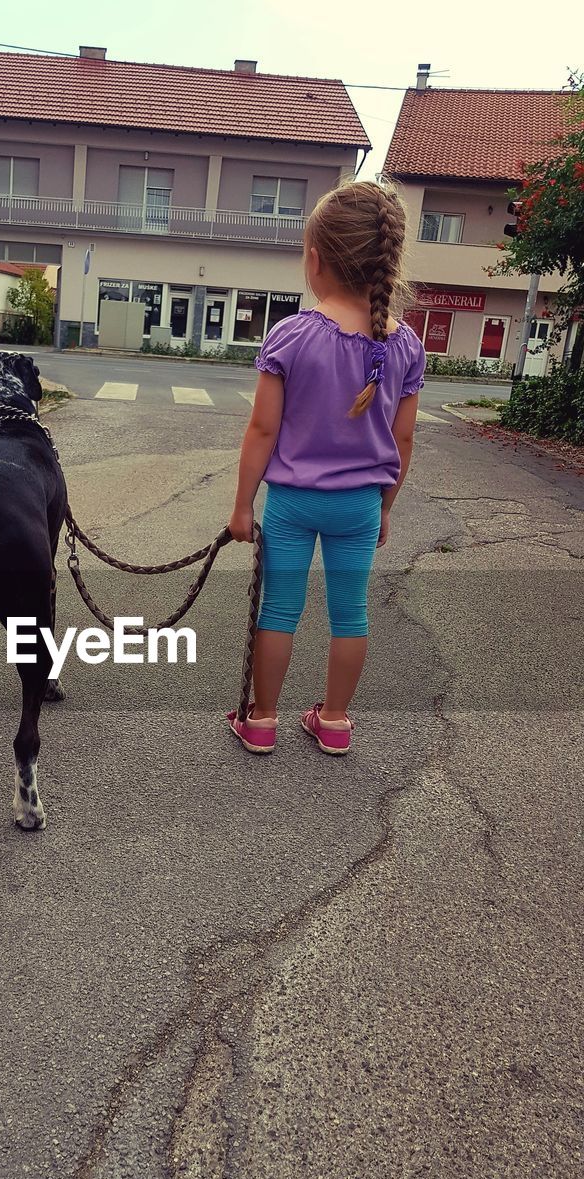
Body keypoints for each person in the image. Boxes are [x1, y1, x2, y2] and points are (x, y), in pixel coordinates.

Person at [227, 181, 426, 756]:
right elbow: (403, 438)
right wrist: (385, 506)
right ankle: (334, 720)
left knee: (280, 607)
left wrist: (243, 505)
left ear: (315, 260)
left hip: (291, 501)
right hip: (360, 503)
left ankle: (262, 720)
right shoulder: (406, 346)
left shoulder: (291, 336)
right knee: (350, 611)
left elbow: (262, 430)